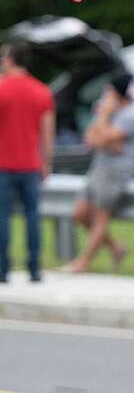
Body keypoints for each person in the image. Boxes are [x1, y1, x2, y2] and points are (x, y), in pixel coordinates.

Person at [64, 74, 134, 273]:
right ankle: (116, 247)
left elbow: (103, 138)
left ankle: (83, 262)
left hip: (116, 171)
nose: (105, 96)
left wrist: (103, 118)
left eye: (109, 91)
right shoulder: (111, 113)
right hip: (99, 167)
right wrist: (105, 135)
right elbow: (91, 140)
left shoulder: (131, 115)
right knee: (80, 214)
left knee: (101, 217)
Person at [0, 42, 55, 283]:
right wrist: (46, 162)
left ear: (11, 59)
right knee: (33, 216)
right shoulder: (41, 91)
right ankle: (34, 269)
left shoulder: (2, 89)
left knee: (3, 216)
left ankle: (3, 269)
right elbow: (47, 133)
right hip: (31, 164)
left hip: (3, 163)